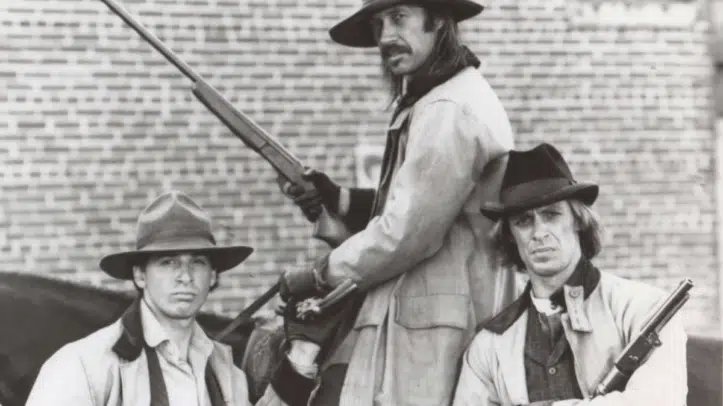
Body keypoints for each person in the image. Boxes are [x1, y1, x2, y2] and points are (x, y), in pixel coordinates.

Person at [275, 0, 522, 404]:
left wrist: (321, 275)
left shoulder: (447, 108)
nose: (386, 37)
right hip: (426, 324)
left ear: (438, 20)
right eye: (378, 24)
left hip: (437, 336)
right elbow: (422, 204)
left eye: (399, 18)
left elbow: (407, 233)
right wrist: (339, 198)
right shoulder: (439, 99)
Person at [25, 191, 334, 406]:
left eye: (197, 262)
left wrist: (300, 357)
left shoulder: (225, 372)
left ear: (212, 276)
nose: (185, 276)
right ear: (140, 275)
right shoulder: (84, 365)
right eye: (167, 262)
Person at [452, 143, 688, 405]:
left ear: (578, 220)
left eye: (551, 215)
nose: (539, 232)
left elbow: (660, 400)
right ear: (510, 236)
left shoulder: (643, 309)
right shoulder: (489, 345)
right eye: (523, 221)